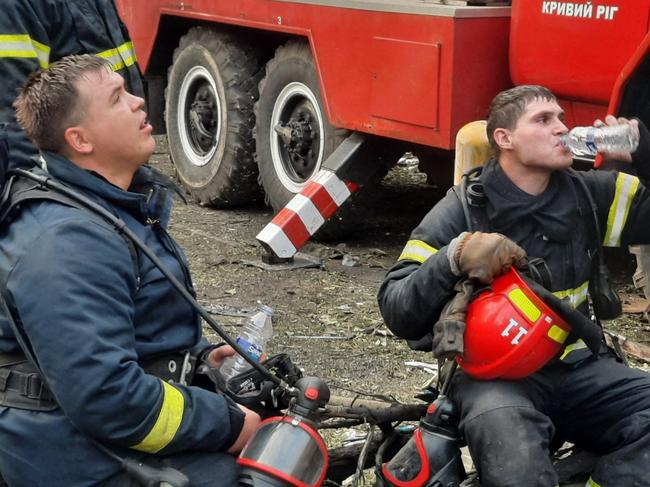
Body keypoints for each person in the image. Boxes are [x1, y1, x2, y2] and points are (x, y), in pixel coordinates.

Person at [0, 54, 260, 487]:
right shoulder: (67, 242)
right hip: (64, 455)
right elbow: (107, 399)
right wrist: (231, 425)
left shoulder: (115, 209)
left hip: (91, 431)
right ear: (81, 139)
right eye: (117, 98)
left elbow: (129, 336)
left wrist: (196, 362)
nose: (139, 103)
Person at [378, 85, 650, 487]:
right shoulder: (464, 209)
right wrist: (454, 256)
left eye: (560, 117)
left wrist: (645, 153)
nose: (561, 128)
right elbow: (397, 306)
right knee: (515, 461)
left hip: (580, 371)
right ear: (504, 138)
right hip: (496, 383)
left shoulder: (591, 195)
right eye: (543, 120)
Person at [0, 0, 144, 177]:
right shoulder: (14, 6)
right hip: (71, 183)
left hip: (109, 172)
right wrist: (27, 191)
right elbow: (14, 117)